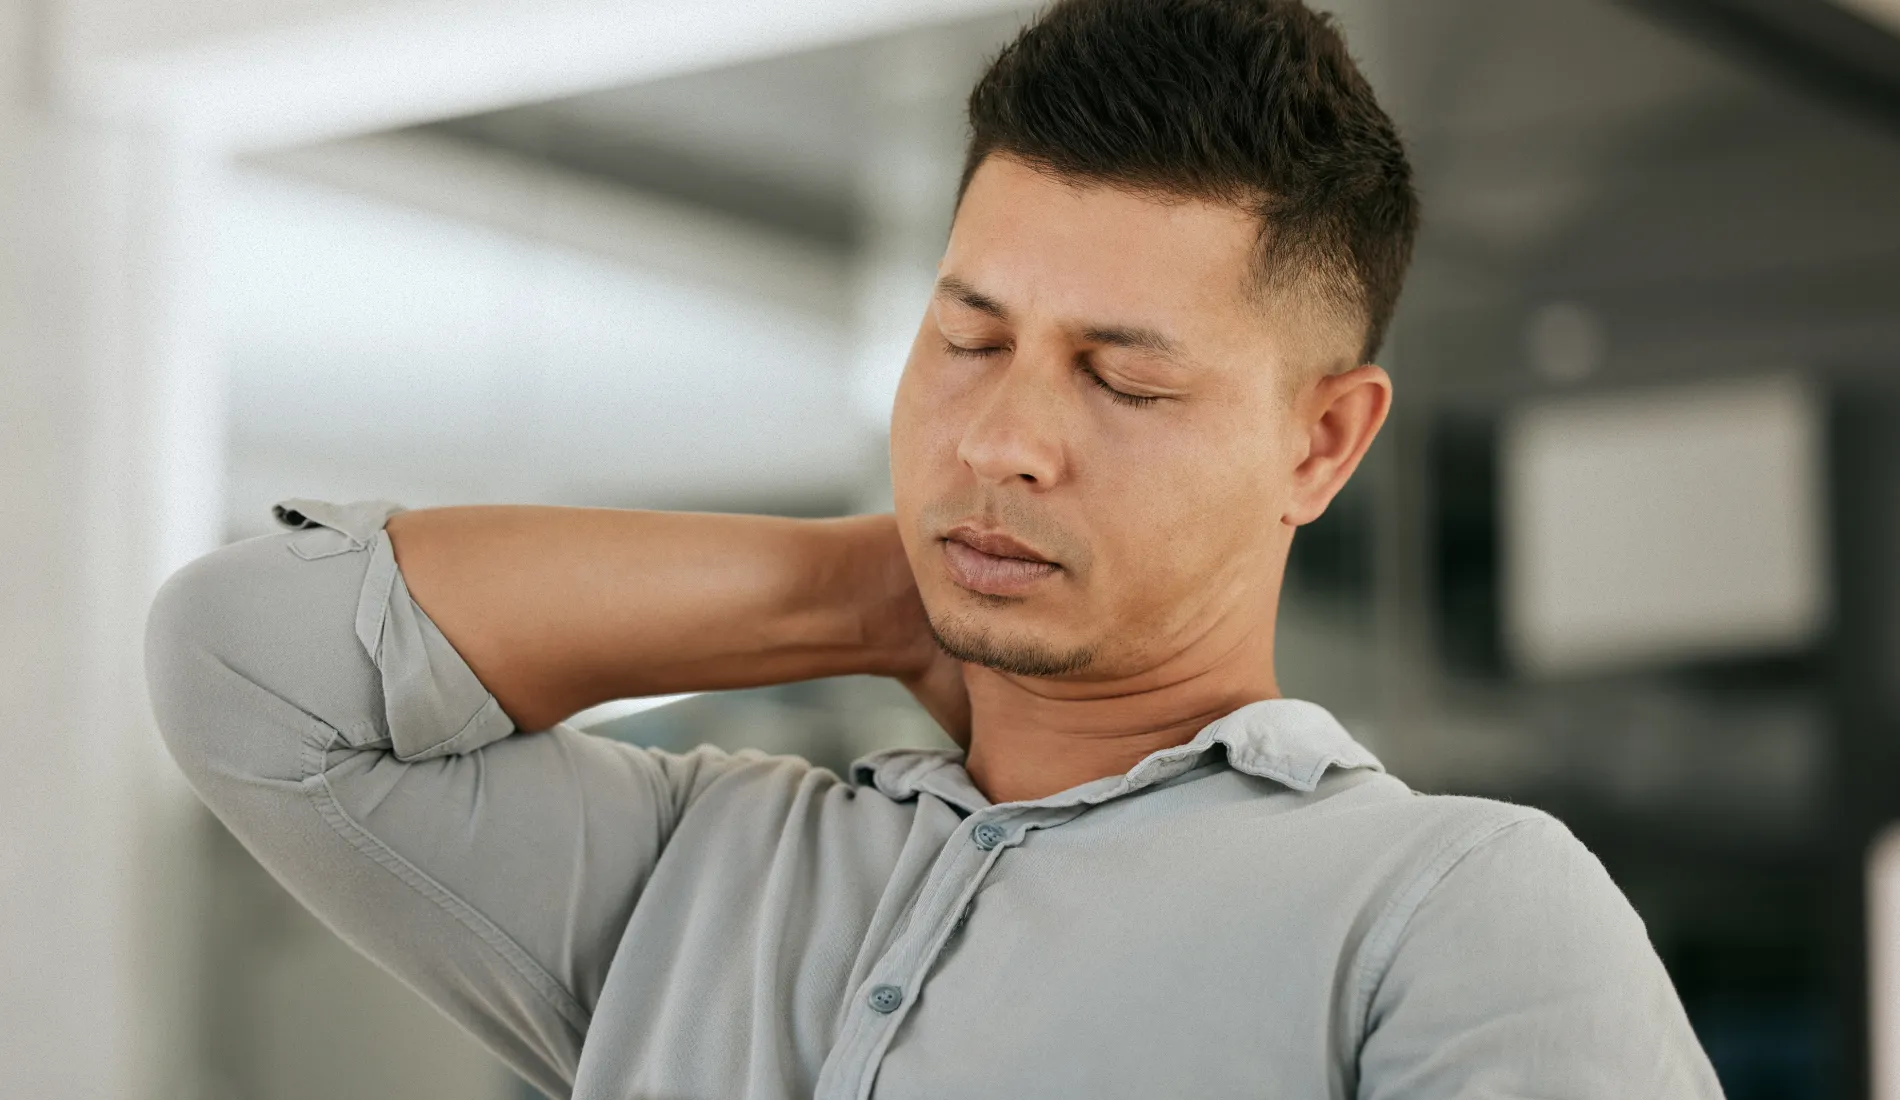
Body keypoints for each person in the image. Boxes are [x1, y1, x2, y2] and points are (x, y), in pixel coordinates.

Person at [144, 0, 1726, 1096]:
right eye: (970, 340)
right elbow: (253, 668)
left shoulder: (1449, 906)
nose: (1001, 439)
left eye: (1124, 377)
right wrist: (886, 590)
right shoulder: (699, 878)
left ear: (1320, 442)